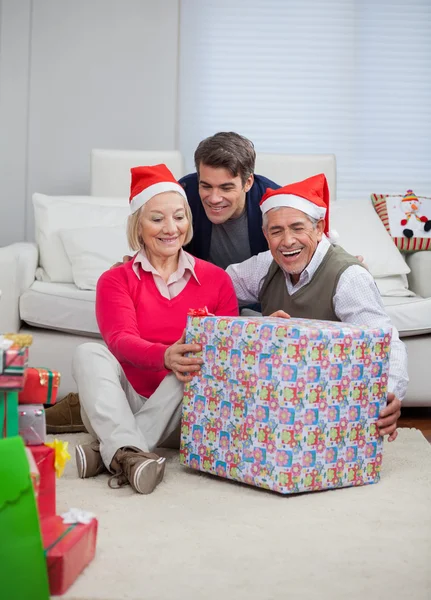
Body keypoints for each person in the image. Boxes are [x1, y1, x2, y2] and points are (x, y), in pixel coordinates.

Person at [72, 164, 238, 494]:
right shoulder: (116, 280)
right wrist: (165, 356)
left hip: (185, 413)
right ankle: (128, 450)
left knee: (195, 361)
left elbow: (228, 351)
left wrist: (180, 360)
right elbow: (119, 340)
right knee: (88, 352)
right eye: (157, 218)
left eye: (179, 217)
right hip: (121, 404)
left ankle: (117, 451)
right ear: (138, 225)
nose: (170, 228)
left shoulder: (217, 279)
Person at [226, 173, 408, 442]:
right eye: (276, 231)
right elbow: (215, 289)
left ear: (319, 227)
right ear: (266, 234)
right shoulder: (265, 266)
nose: (287, 241)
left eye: (297, 228)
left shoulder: (349, 277)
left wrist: (387, 396)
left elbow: (385, 343)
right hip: (276, 398)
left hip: (332, 402)